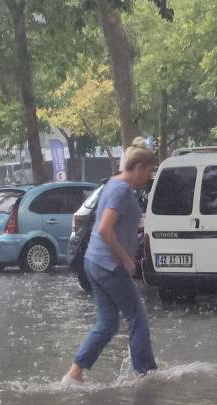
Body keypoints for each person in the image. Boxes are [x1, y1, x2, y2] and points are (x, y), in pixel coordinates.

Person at [61, 139, 158, 385]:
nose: (149, 177)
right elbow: (105, 228)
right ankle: (145, 374)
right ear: (137, 168)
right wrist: (126, 259)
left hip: (94, 262)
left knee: (108, 323)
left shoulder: (113, 184)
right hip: (109, 265)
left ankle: (75, 372)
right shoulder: (121, 190)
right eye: (148, 171)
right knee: (137, 317)